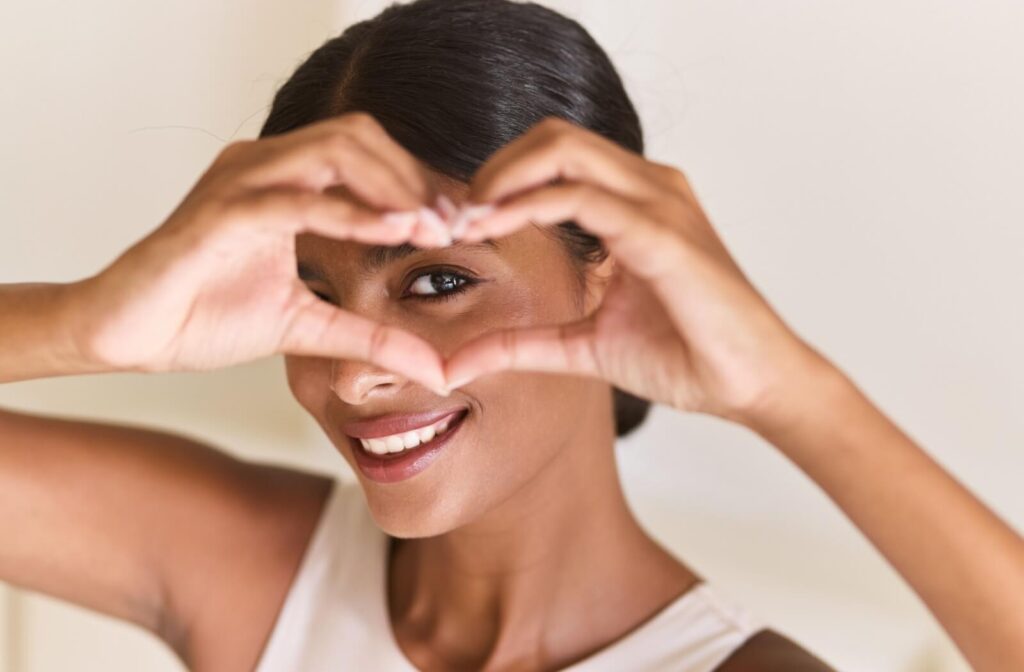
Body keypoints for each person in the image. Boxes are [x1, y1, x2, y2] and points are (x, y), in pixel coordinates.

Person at [1, 0, 1021, 670]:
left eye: (436, 282)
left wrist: (791, 394)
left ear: (605, 268)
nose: (356, 373)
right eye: (313, 292)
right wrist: (90, 322)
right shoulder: (245, 564)